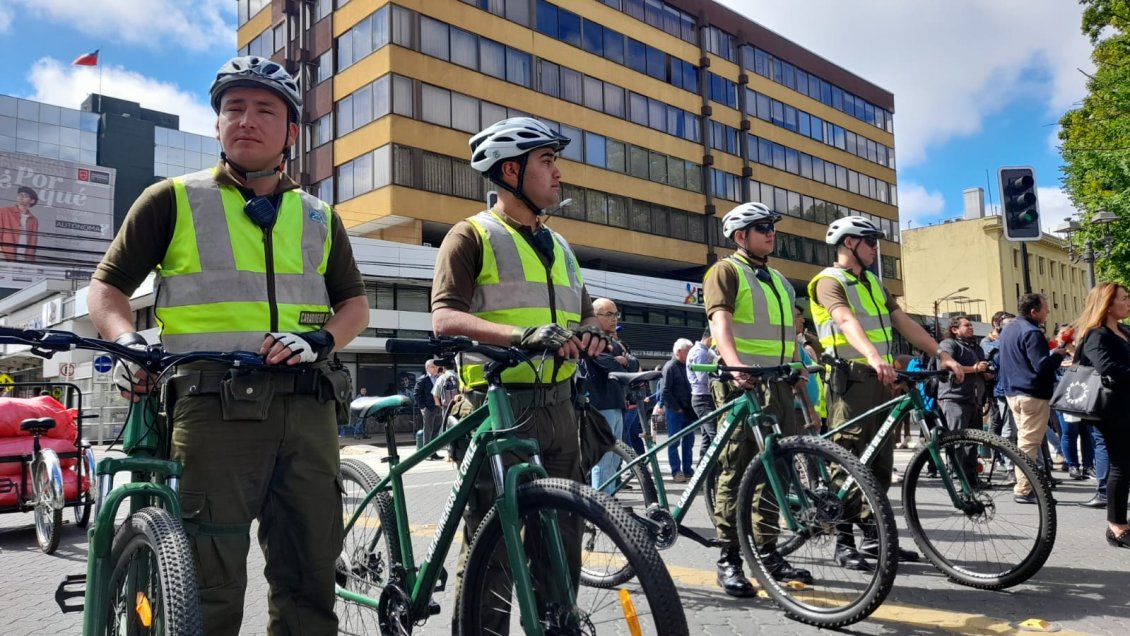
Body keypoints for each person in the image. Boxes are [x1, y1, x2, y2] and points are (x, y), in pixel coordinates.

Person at [86, 56, 369, 634]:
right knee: (207, 586)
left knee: (310, 574)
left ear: (291, 132)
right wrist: (127, 340)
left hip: (310, 409)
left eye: (265, 109)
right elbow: (106, 287)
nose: (246, 119)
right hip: (211, 411)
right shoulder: (170, 199)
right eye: (232, 108)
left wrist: (322, 338)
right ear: (216, 125)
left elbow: (355, 307)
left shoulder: (320, 216)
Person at [430, 116, 607, 632]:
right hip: (498, 409)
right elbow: (444, 318)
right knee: (495, 550)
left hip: (560, 406)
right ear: (512, 170)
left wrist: (593, 329)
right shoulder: (471, 236)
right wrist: (519, 336)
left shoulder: (562, 246)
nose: (559, 174)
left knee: (562, 541)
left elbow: (585, 311)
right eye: (547, 162)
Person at [807, 216, 963, 569]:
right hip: (850, 380)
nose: (876, 248)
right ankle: (844, 541)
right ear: (849, 243)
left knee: (879, 463)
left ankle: (874, 539)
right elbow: (845, 321)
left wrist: (941, 352)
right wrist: (874, 356)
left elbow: (903, 321)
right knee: (846, 459)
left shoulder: (874, 283)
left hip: (882, 378)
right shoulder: (829, 282)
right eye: (870, 241)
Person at [703, 202, 811, 596]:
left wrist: (799, 366)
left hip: (779, 383)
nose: (770, 233)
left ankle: (767, 551)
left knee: (776, 470)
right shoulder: (726, 270)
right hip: (742, 383)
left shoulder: (780, 280)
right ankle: (728, 557)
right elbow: (720, 322)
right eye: (761, 227)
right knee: (738, 468)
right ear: (740, 236)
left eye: (771, 227)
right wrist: (734, 365)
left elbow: (790, 335)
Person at [1069, 283, 1130, 547]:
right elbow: (1106, 366)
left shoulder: (1124, 331)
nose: (1128, 303)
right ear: (1107, 304)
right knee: (1120, 465)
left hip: (1127, 405)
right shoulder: (1096, 334)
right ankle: (1116, 526)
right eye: (1124, 299)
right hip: (1111, 409)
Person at [997, 293, 1068, 505]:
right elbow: (1041, 366)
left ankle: (1030, 485)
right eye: (1045, 308)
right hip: (1032, 394)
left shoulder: (1008, 329)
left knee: (1026, 441)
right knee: (1028, 444)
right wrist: (1058, 354)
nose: (1048, 312)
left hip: (1013, 392)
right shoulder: (1032, 332)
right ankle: (1024, 489)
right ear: (1034, 312)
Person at [580, 298, 639, 493]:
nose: (614, 319)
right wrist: (620, 360)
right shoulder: (589, 339)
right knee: (603, 459)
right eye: (608, 314)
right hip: (601, 405)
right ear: (594, 316)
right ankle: (601, 509)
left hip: (617, 403)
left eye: (615, 314)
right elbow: (610, 365)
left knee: (614, 460)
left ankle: (610, 503)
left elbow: (633, 364)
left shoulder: (614, 342)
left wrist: (623, 360)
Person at [936, 315, 989, 479]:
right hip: (954, 398)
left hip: (974, 400)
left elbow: (981, 369)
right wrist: (974, 368)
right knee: (956, 440)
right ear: (954, 329)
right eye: (966, 325)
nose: (971, 328)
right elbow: (945, 366)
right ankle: (956, 477)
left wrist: (987, 373)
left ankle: (972, 478)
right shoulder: (948, 345)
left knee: (972, 441)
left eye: (971, 325)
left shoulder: (975, 347)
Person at [662, 339, 695, 483]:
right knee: (674, 442)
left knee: (689, 441)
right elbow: (665, 391)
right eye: (688, 350)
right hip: (676, 411)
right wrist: (677, 408)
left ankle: (688, 469)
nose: (691, 353)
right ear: (679, 352)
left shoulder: (688, 366)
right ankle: (676, 471)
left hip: (689, 410)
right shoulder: (670, 367)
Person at [686, 328, 718, 463]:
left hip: (701, 398)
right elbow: (703, 378)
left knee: (706, 438)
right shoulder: (701, 352)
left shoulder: (700, 351)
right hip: (703, 399)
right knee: (716, 436)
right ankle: (712, 472)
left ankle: (703, 472)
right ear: (711, 338)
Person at [0, 185, 40, 261]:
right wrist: (2, 257)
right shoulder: (4, 212)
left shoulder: (34, 220)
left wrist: (29, 261)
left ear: (32, 201)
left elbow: (33, 243)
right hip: (5, 258)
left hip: (23, 261)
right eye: (19, 194)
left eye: (25, 195)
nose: (21, 196)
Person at [431, 360, 460, 461]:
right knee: (460, 428)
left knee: (447, 429)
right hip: (459, 406)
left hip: (446, 407)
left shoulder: (442, 378)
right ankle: (460, 451)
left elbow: (435, 395)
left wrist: (439, 405)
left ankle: (449, 455)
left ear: (444, 368)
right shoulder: (458, 376)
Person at [413, 359, 441, 456]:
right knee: (428, 430)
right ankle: (426, 453)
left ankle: (433, 452)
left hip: (438, 407)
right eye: (433, 367)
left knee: (436, 430)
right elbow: (416, 394)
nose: (435, 368)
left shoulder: (439, 378)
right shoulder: (422, 379)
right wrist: (423, 407)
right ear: (427, 368)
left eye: (436, 366)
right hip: (428, 408)